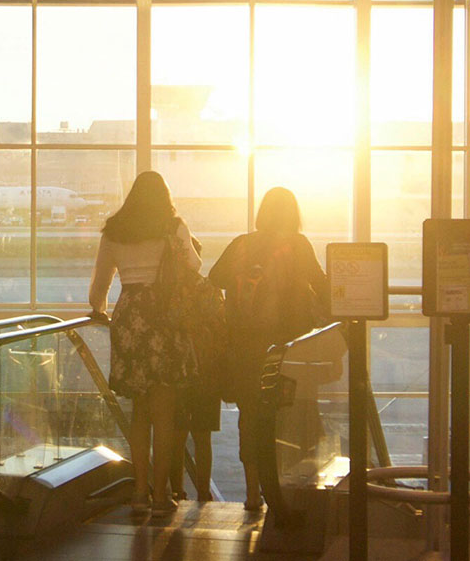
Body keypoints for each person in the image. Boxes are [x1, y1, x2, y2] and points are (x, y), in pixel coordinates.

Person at [208, 187, 330, 512]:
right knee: (291, 418)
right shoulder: (299, 246)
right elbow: (322, 284)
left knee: (250, 419)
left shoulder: (242, 244)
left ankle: (252, 494)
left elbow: (214, 277)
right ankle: (288, 493)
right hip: (290, 350)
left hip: (247, 348)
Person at [89, 171, 203, 514]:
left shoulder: (115, 230)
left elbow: (99, 286)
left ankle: (139, 491)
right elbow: (194, 267)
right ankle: (160, 494)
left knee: (139, 411)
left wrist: (100, 311)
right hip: (164, 316)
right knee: (164, 413)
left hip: (129, 315)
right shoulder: (173, 226)